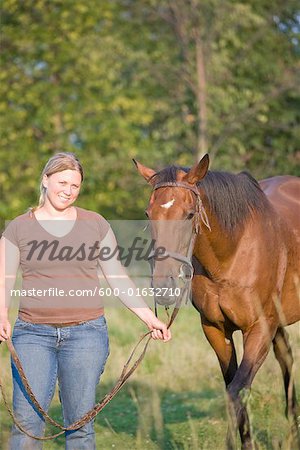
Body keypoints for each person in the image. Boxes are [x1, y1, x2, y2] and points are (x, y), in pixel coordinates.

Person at [0, 152, 171, 450]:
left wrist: (148, 317)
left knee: (80, 428)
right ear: (45, 180)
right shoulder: (18, 227)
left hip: (86, 334)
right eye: (62, 182)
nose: (68, 190)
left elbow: (117, 278)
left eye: (75, 185)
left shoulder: (96, 224)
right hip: (32, 335)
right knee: (26, 428)